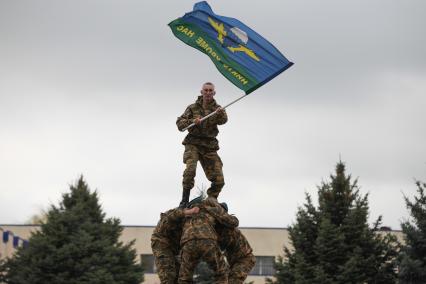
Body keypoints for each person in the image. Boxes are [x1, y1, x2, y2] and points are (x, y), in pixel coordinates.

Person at [176, 82, 228, 207]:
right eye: (206, 90)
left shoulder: (218, 109)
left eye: (211, 90)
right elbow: (180, 124)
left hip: (209, 146)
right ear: (202, 92)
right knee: (190, 171)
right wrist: (192, 121)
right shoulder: (192, 108)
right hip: (193, 143)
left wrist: (220, 113)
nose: (208, 93)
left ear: (214, 93)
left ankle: (212, 200)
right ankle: (184, 201)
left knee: (219, 179)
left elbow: (223, 120)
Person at [178, 197, 238, 284]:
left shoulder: (189, 211)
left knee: (184, 277)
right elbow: (234, 222)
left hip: (188, 243)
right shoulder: (211, 210)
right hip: (207, 241)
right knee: (221, 272)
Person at [151, 206, 199, 284]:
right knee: (168, 275)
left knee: (183, 277)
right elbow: (172, 216)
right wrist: (187, 212)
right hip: (162, 244)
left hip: (175, 249)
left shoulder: (193, 223)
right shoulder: (175, 214)